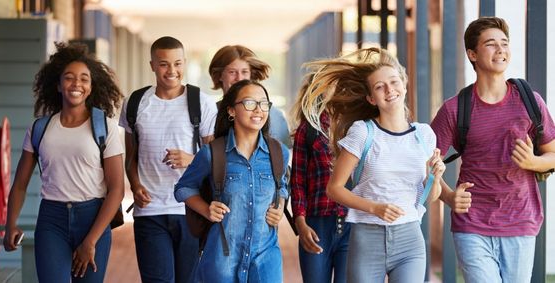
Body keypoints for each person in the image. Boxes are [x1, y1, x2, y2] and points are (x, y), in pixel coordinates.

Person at [302, 47, 445, 282]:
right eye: (380, 87)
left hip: (410, 238)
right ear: (371, 98)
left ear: (404, 84)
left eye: (394, 82)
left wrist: (435, 177)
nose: (389, 90)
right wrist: (375, 208)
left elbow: (429, 196)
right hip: (367, 238)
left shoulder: (424, 135)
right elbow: (334, 189)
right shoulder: (363, 132)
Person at [431, 17, 555, 283]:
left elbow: (552, 154)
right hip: (472, 224)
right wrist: (449, 197)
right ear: (472, 54)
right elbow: (425, 164)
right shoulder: (455, 109)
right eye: (491, 44)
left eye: (504, 43)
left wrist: (534, 162)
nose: (501, 49)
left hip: (521, 222)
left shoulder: (530, 101)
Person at [3, 42, 124, 282]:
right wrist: (10, 224)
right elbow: (19, 184)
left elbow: (117, 190)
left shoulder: (104, 128)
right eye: (69, 78)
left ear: (91, 87)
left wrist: (90, 241)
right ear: (58, 85)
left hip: (93, 218)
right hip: (52, 220)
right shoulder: (40, 128)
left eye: (84, 79)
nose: (76, 84)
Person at [118, 36, 217, 283]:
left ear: (184, 63)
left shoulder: (201, 103)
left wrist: (191, 160)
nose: (172, 71)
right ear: (152, 65)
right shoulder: (135, 102)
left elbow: (216, 160)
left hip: (191, 210)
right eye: (164, 64)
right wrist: (135, 184)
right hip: (149, 210)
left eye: (177, 63)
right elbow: (131, 157)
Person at [174, 79, 290, 282]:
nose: (258, 110)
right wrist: (205, 209)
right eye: (249, 103)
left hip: (265, 259)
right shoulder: (212, 153)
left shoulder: (280, 152)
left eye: (263, 103)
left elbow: (282, 186)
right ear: (231, 111)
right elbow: (183, 188)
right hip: (222, 259)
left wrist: (279, 206)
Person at [290, 74, 350, 283]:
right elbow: (297, 181)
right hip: (316, 224)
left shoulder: (357, 126)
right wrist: (300, 222)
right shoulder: (307, 130)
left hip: (353, 223)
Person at [208, 45, 291, 147]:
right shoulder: (208, 113)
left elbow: (283, 156)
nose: (239, 78)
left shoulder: (274, 116)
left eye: (244, 72)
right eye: (232, 72)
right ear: (219, 75)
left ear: (251, 75)